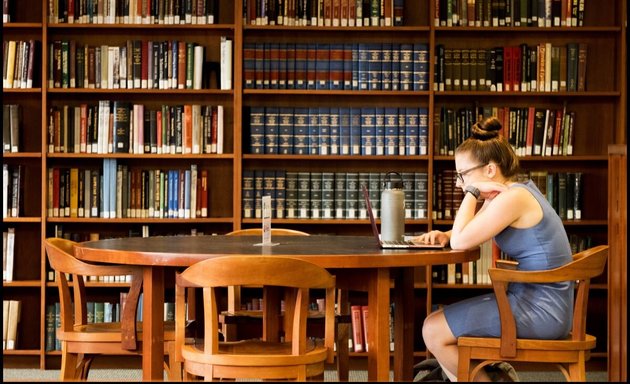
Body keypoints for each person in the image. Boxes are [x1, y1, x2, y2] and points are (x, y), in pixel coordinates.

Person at [414, 117, 573, 381]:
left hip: (542, 310)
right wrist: (445, 234)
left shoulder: (514, 198)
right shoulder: (510, 194)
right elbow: (468, 232)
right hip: (534, 302)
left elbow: (462, 243)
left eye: (462, 175)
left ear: (489, 170)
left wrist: (472, 192)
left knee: (433, 329)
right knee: (436, 325)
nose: (458, 183)